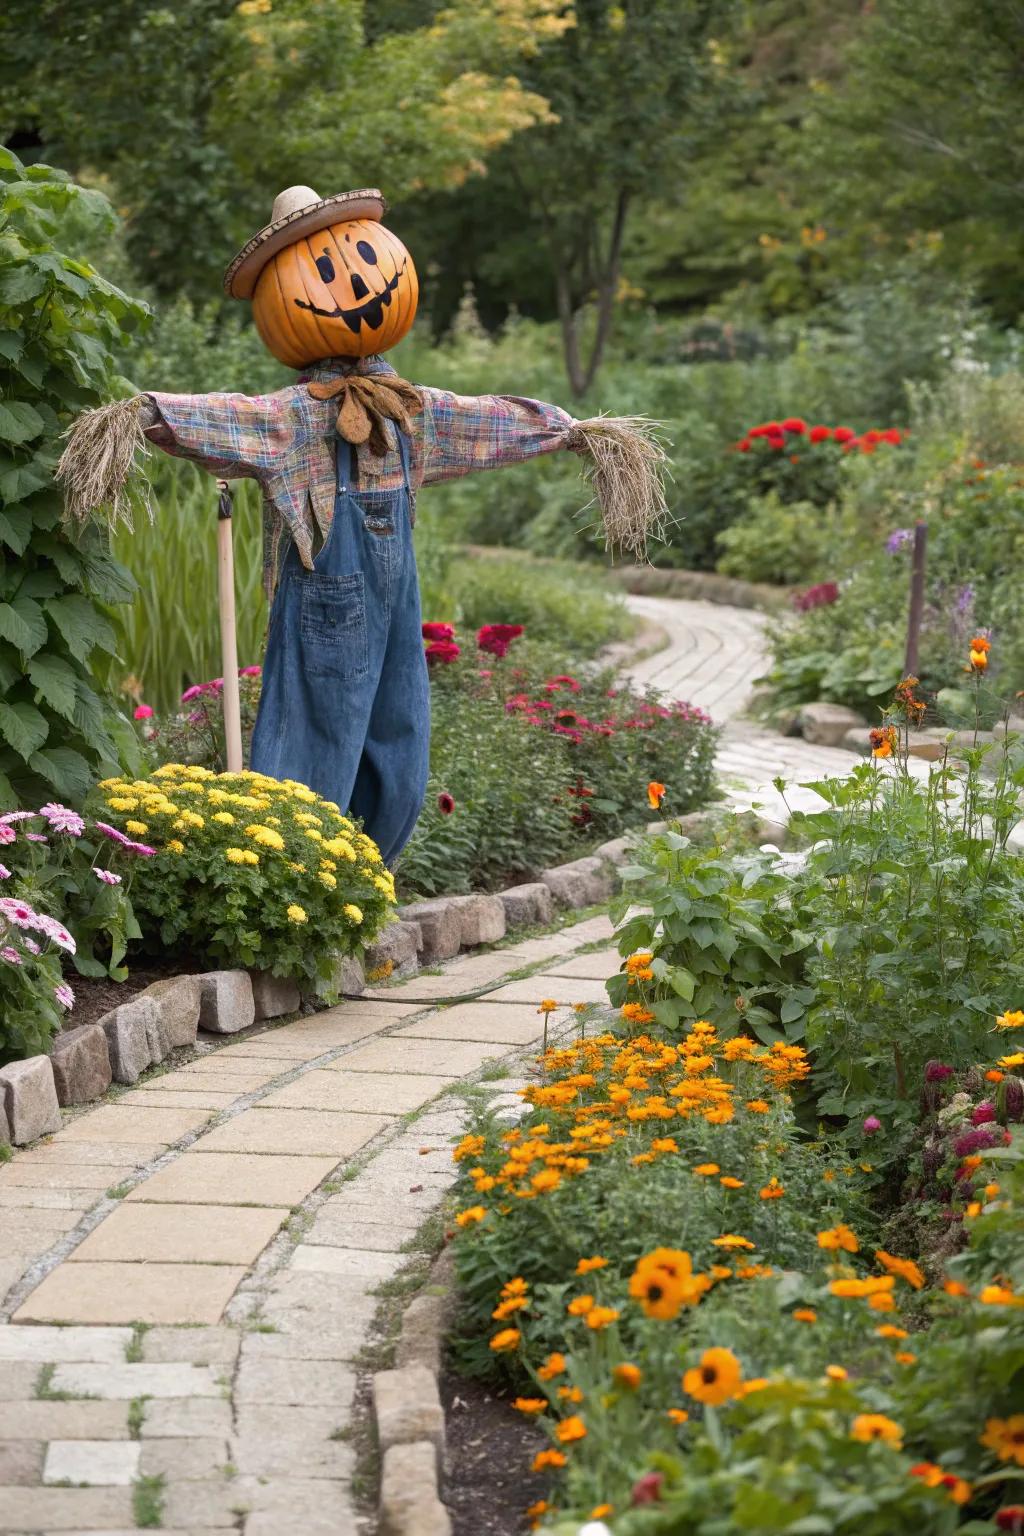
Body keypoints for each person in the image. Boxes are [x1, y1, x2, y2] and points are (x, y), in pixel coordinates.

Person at [60, 186, 666, 865]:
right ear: (282, 297)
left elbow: (487, 418)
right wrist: (141, 418)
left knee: (399, 736)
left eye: (358, 257)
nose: (349, 279)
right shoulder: (297, 416)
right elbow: (231, 415)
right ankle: (292, 873)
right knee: (317, 736)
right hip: (327, 596)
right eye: (320, 268)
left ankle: (365, 874)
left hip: (395, 601)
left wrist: (570, 431)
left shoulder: (413, 410)